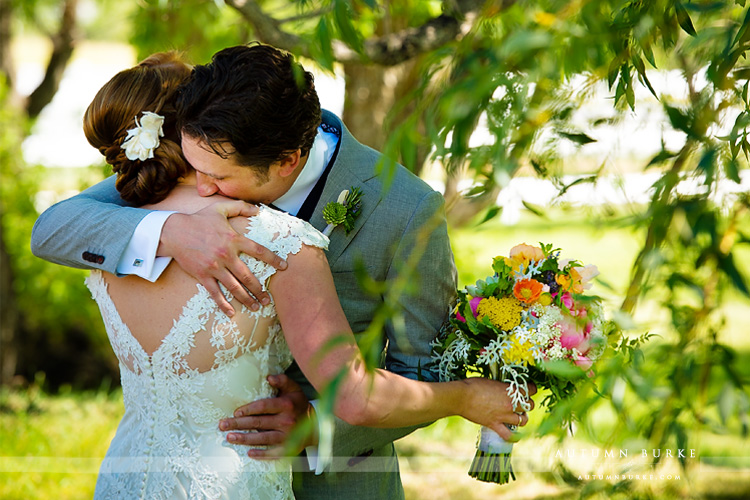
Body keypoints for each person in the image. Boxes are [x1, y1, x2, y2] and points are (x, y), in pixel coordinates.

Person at [31, 45, 535, 499]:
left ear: (288, 160)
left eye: (219, 179)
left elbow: (419, 373)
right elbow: (57, 227)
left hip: (336, 484)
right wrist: (172, 232)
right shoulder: (200, 144)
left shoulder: (406, 211)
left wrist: (316, 425)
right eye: (195, 169)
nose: (200, 190)